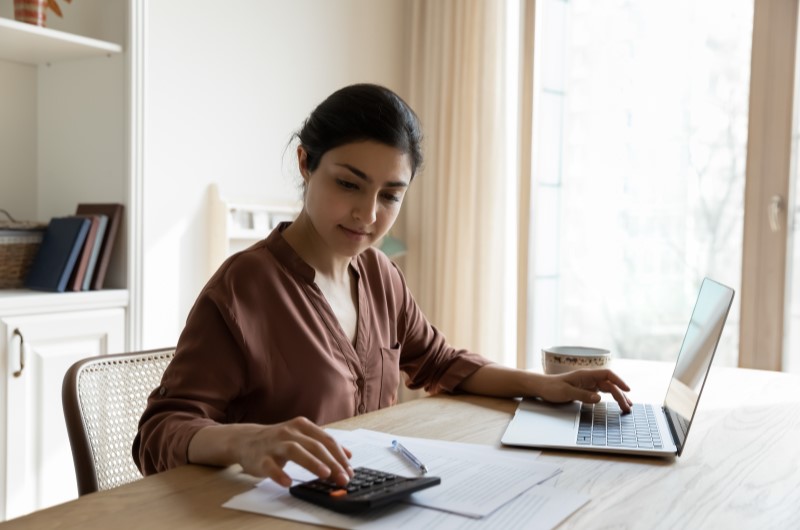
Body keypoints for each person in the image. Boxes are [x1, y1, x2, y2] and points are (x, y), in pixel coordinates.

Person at [133, 83, 632, 488]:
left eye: (390, 195)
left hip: (368, 504)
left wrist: (542, 386)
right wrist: (246, 442)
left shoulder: (379, 275)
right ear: (306, 164)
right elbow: (160, 432)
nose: (367, 215)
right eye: (348, 184)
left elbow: (439, 362)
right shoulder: (245, 288)